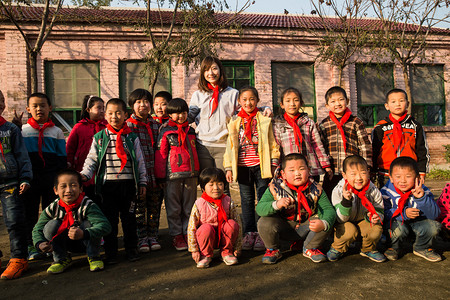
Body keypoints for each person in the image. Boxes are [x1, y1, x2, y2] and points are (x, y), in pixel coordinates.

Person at [81, 98, 147, 263]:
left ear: (125, 114)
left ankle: (131, 249)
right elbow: (91, 160)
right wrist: (84, 175)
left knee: (129, 219)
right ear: (105, 114)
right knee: (109, 220)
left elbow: (140, 161)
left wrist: (143, 182)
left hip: (128, 185)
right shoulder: (100, 138)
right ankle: (111, 252)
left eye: (118, 113)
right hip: (107, 187)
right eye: (110, 113)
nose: (114, 116)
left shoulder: (132, 138)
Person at [188, 56, 271, 177]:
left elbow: (247, 109)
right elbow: (190, 116)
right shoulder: (198, 95)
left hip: (224, 146)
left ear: (221, 70)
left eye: (214, 69)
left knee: (223, 184)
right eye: (206, 70)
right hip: (203, 146)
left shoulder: (232, 94)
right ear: (202, 73)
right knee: (206, 183)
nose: (210, 73)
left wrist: (266, 108)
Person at [223, 86, 279, 252]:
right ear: (239, 102)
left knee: (263, 200)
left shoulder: (263, 119)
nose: (248, 102)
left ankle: (262, 233)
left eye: (252, 99)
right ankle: (249, 232)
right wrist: (228, 168)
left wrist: (274, 162)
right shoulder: (234, 122)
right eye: (244, 99)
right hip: (242, 168)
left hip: (261, 167)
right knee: (246, 201)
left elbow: (272, 142)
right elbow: (230, 146)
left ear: (257, 101)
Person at [256, 153, 336, 264]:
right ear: (283, 174)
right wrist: (276, 204)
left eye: (301, 169)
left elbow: (328, 209)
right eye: (292, 170)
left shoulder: (316, 188)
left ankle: (310, 247)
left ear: (308, 170)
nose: (297, 174)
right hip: (284, 227)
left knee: (327, 220)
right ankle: (273, 249)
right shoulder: (275, 188)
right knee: (264, 222)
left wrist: (324, 223)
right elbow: (259, 208)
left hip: (307, 227)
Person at [32, 169, 111, 274]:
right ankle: (61, 258)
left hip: (85, 242)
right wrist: (40, 243)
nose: (68, 190)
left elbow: (105, 226)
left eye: (73, 185)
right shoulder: (53, 208)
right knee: (50, 225)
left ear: (81, 188)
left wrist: (84, 233)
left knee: (90, 223)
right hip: (64, 243)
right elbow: (37, 229)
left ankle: (94, 256)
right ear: (55, 190)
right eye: (63, 186)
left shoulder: (88, 205)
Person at [21, 92, 67, 260]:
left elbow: (62, 157)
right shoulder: (23, 131)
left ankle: (51, 244)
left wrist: (59, 180)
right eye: (35, 106)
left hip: (50, 178)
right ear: (28, 109)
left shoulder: (56, 132)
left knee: (52, 212)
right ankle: (32, 245)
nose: (39, 109)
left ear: (50, 108)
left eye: (43, 105)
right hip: (31, 178)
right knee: (29, 213)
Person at [155, 98, 199, 251]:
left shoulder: (191, 131)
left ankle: (188, 232)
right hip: (172, 176)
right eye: (176, 113)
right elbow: (161, 154)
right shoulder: (165, 131)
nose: (180, 116)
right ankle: (176, 235)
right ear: (170, 114)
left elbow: (196, 153)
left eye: (183, 112)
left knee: (189, 206)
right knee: (173, 207)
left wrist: (197, 173)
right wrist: (160, 176)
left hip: (191, 175)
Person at [327, 155, 386, 263]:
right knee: (349, 231)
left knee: (376, 229)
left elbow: (379, 208)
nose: (359, 178)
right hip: (345, 222)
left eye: (363, 173)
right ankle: (337, 248)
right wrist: (346, 201)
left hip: (363, 220)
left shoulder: (373, 189)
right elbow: (340, 219)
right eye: (353, 174)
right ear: (344, 175)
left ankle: (367, 249)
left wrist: (375, 216)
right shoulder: (339, 190)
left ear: (368, 172)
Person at [381, 157, 441, 262]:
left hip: (417, 225)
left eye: (408, 176)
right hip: (399, 224)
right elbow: (384, 213)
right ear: (391, 178)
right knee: (397, 228)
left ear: (417, 177)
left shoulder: (423, 191)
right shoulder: (386, 192)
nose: (403, 181)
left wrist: (421, 199)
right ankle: (393, 247)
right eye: (398, 176)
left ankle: (422, 247)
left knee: (434, 226)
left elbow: (435, 214)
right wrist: (403, 214)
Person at [318, 86, 372, 199]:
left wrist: (366, 166)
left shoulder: (356, 122)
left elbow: (364, 145)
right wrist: (325, 166)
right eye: (333, 101)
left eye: (341, 100)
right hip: (333, 169)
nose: (337, 104)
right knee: (330, 196)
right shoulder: (324, 124)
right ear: (327, 105)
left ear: (347, 101)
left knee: (354, 196)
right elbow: (321, 147)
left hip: (352, 170)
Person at [0, 90, 32, 279]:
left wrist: (26, 178)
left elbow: (22, 155)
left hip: (10, 182)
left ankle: (19, 259)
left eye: (1, 101)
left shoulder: (10, 129)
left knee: (14, 221)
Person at [127, 89, 163, 252]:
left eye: (146, 101)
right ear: (132, 105)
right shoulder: (127, 127)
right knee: (139, 210)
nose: (143, 105)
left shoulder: (156, 125)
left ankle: (153, 236)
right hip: (138, 178)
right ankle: (141, 238)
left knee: (154, 208)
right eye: (138, 102)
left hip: (155, 176)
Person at [372, 88, 429, 188]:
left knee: (410, 201)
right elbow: (374, 151)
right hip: (386, 174)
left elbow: (422, 150)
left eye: (401, 101)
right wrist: (372, 171)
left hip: (409, 173)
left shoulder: (415, 126)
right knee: (387, 201)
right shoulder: (380, 127)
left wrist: (422, 171)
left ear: (407, 104)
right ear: (387, 106)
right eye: (393, 102)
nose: (397, 104)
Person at [272, 87, 331, 182]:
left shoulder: (308, 122)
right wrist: (274, 166)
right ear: (282, 105)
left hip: (309, 168)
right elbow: (276, 147)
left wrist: (326, 165)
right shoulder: (277, 124)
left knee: (312, 195)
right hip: (289, 169)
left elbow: (317, 145)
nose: (292, 104)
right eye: (288, 101)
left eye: (296, 100)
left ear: (301, 103)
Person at [187, 168, 242, 268]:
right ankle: (206, 255)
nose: (216, 188)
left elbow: (238, 223)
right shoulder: (199, 204)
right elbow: (191, 228)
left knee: (232, 224)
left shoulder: (228, 201)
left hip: (225, 236)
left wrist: (238, 247)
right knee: (205, 228)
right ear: (203, 188)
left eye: (219, 184)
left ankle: (226, 252)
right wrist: (194, 250)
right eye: (211, 184)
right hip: (207, 238)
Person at [66, 95, 106, 200]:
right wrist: (69, 163)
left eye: (103, 108)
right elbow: (70, 147)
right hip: (83, 170)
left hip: (104, 173)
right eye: (99, 108)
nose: (102, 111)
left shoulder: (107, 127)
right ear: (88, 109)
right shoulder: (79, 127)